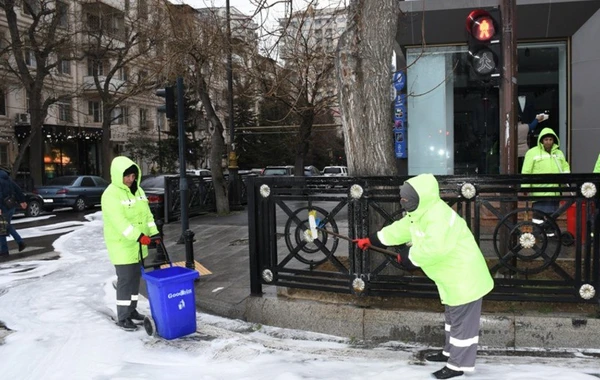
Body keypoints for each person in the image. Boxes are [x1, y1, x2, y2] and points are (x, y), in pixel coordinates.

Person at [353, 173, 494, 379]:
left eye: (407, 198)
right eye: (401, 198)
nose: (403, 202)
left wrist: (409, 258)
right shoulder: (420, 213)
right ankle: (449, 352)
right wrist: (373, 239)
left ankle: (458, 365)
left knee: (463, 324)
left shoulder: (438, 217)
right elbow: (402, 229)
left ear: (421, 197)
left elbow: (434, 248)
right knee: (452, 318)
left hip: (465, 277)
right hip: (451, 277)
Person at [101, 156, 159, 331]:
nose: (130, 180)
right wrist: (138, 236)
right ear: (118, 175)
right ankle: (123, 316)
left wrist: (154, 232)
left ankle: (132, 310)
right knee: (125, 281)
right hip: (122, 245)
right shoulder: (111, 194)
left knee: (135, 279)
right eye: (127, 176)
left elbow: (147, 215)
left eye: (133, 176)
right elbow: (120, 222)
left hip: (137, 245)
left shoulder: (138, 191)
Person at [521, 127, 570, 231]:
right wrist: (525, 187)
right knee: (538, 216)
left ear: (554, 140)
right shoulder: (532, 153)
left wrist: (565, 180)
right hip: (539, 192)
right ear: (541, 140)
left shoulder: (559, 153)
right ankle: (538, 235)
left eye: (550, 139)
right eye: (546, 139)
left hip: (555, 191)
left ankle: (550, 236)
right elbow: (526, 171)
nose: (548, 142)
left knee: (552, 216)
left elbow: (565, 167)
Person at [0, 169, 28, 256]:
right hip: (11, 205)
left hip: (3, 206)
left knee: (4, 226)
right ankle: (5, 250)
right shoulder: (7, 178)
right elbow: (17, 189)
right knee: (3, 227)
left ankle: (19, 242)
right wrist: (22, 201)